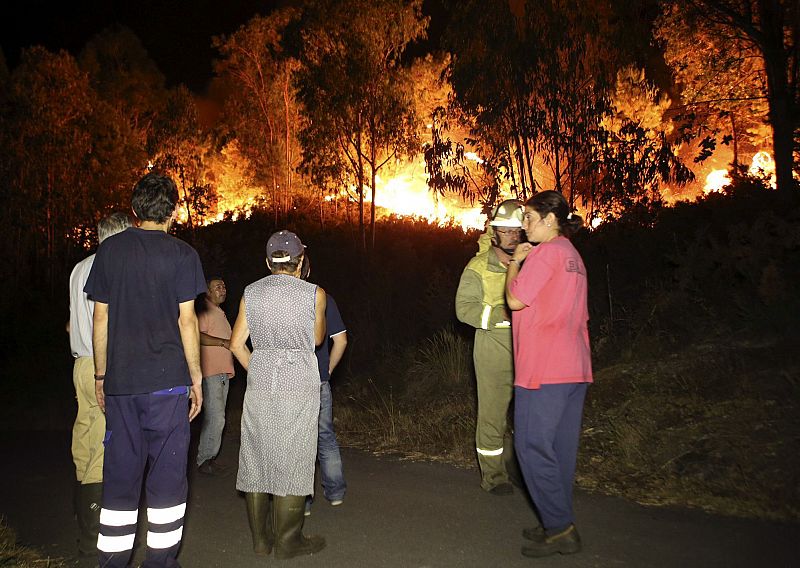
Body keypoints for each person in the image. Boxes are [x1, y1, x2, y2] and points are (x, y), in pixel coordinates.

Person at [85, 172, 206, 568]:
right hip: (169, 385)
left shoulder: (110, 252)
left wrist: (101, 376)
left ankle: (112, 562)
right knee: (168, 478)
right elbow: (188, 321)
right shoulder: (183, 255)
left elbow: (99, 318)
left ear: (136, 209)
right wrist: (196, 377)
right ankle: (161, 562)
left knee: (121, 476)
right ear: (173, 210)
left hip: (122, 385)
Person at [505, 190, 593, 558]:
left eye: (528, 217)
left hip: (543, 367)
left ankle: (560, 528)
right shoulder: (573, 255)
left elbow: (514, 300)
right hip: (575, 366)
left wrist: (515, 263)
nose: (523, 225)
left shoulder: (544, 253)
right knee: (559, 450)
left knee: (531, 447)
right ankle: (555, 520)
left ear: (550, 219)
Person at [229, 230, 327, 559]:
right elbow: (316, 339)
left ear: (268, 262)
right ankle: (288, 542)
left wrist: (256, 367)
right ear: (301, 261)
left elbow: (235, 344)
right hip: (298, 384)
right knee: (295, 458)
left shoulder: (250, 292)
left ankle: (261, 541)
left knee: (256, 457)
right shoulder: (314, 294)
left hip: (261, 384)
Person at [68, 211, 132, 557]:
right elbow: (104, 321)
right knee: (102, 438)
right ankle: (94, 522)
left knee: (84, 431)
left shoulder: (80, 267)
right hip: (100, 362)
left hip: (79, 360)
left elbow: (72, 320)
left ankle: (81, 501)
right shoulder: (109, 268)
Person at [455, 199, 525, 495]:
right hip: (493, 349)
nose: (511, 236)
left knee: (527, 415)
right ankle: (493, 476)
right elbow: (463, 309)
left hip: (530, 350)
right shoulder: (479, 266)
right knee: (493, 415)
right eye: (505, 231)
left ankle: (520, 467)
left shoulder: (530, 261)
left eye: (516, 231)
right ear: (494, 232)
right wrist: (502, 315)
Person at [300, 255, 348, 515]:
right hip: (318, 381)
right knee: (325, 435)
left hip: (291, 382)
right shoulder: (323, 298)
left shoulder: (279, 300)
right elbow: (341, 340)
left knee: (299, 440)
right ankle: (336, 492)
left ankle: (303, 501)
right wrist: (326, 368)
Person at [195, 276, 235, 476]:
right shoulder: (205, 310)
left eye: (224, 285)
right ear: (208, 292)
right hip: (211, 372)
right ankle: (204, 459)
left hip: (221, 373)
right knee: (216, 418)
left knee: (217, 417)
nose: (223, 288)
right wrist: (223, 343)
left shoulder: (219, 312)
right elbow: (197, 335)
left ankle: (208, 458)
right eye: (217, 286)